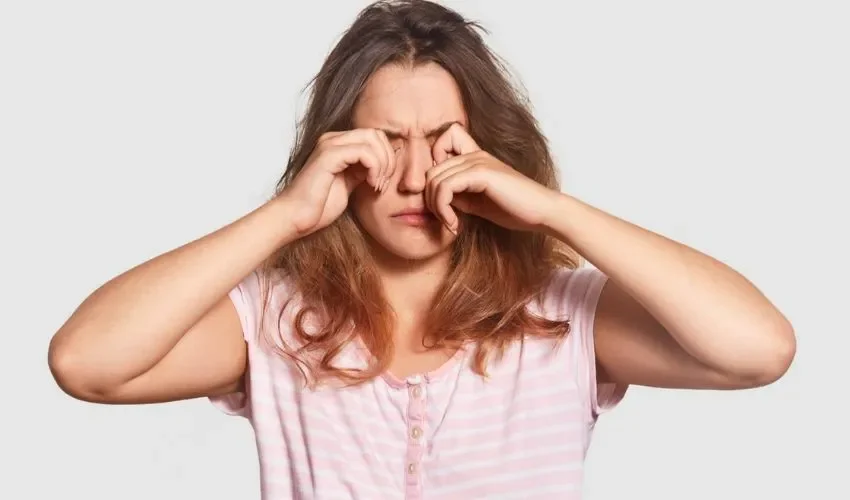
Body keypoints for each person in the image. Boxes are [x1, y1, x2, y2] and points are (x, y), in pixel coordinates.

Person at [47, 1, 796, 498]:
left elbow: (758, 350)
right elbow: (86, 364)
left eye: (444, 144)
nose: (413, 177)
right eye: (384, 144)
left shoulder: (559, 317)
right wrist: (284, 216)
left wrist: (551, 211)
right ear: (336, 153)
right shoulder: (271, 322)